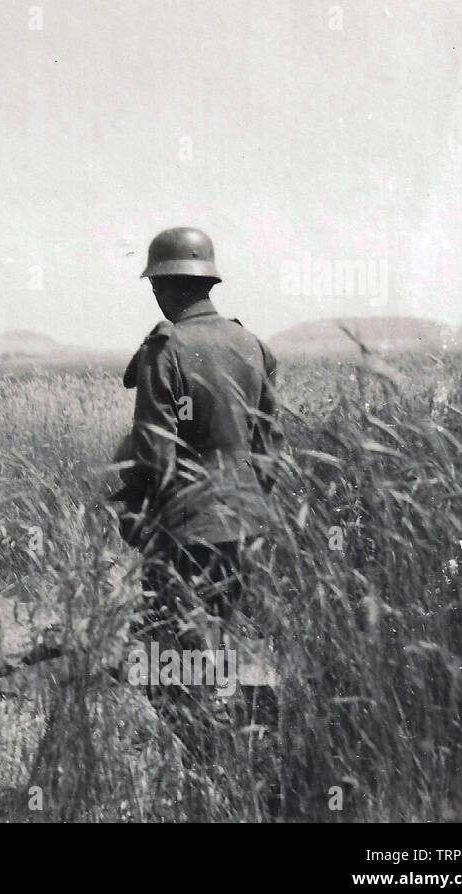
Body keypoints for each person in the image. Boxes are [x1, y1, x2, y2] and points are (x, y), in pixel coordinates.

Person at [111, 227, 283, 646]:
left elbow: (155, 455)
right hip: (247, 522)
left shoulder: (165, 349)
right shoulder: (253, 346)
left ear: (164, 284)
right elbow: (271, 449)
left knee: (172, 652)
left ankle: (197, 709)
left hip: (186, 530)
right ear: (208, 281)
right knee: (225, 635)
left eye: (154, 284)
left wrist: (137, 512)